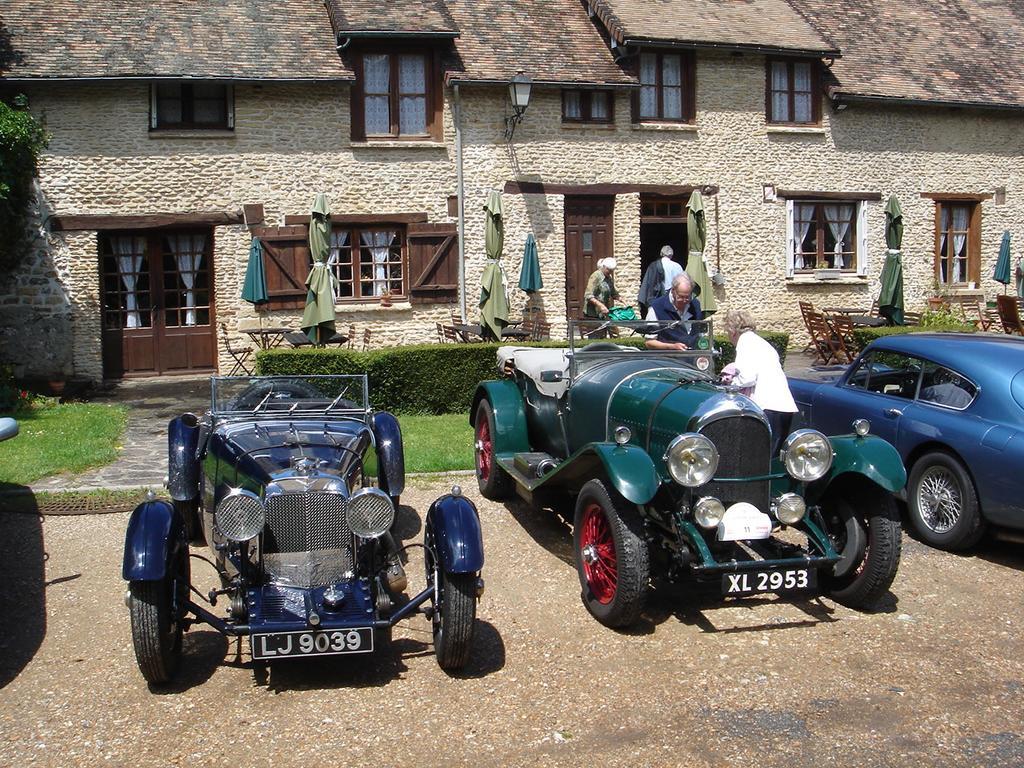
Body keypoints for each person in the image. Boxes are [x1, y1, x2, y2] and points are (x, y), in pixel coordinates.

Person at [720, 308, 797, 454]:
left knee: (761, 456)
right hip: (784, 405)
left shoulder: (745, 343)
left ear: (733, 330)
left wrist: (731, 384)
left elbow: (747, 377)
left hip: (768, 406)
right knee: (775, 456)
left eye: (727, 332)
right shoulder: (759, 342)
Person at [644, 272, 703, 350]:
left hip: (692, 357)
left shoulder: (695, 305)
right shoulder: (656, 307)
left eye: (687, 297)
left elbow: (700, 334)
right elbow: (649, 342)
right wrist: (672, 346)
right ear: (673, 291)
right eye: (681, 297)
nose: (684, 300)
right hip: (667, 359)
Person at [638, 245, 684, 315]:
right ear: (671, 255)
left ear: (661, 254)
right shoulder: (678, 266)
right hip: (674, 299)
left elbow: (649, 284)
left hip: (658, 299)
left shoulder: (653, 266)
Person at [583, 257, 620, 338]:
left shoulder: (608, 278)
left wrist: (621, 300)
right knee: (596, 338)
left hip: (605, 313)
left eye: (611, 271)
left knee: (614, 334)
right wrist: (600, 305)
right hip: (593, 314)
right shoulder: (595, 276)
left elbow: (613, 292)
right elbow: (588, 295)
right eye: (608, 270)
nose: (610, 272)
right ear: (603, 267)